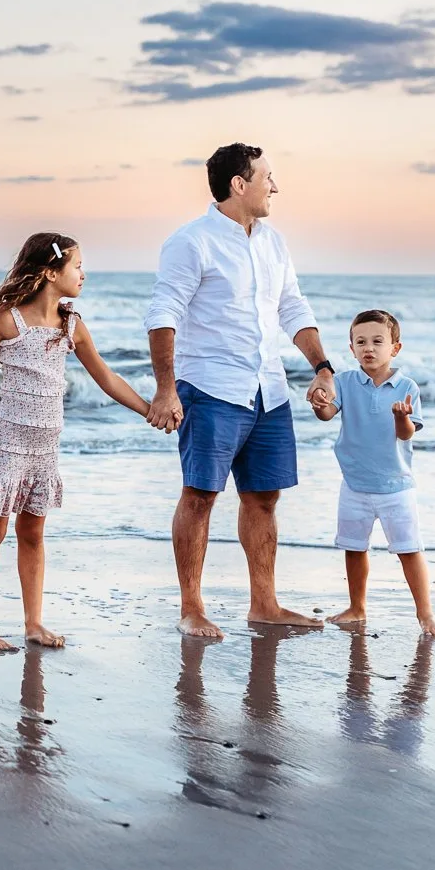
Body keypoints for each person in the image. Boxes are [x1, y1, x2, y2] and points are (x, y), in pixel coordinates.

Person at [0, 233, 156, 650]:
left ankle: (33, 623)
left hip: (45, 450)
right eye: (77, 266)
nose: (83, 274)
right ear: (50, 273)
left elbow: (107, 378)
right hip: (8, 444)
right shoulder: (9, 321)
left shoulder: (71, 326)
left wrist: (148, 409)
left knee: (33, 533)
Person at [145, 143, 336, 638]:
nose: (275, 187)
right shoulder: (191, 242)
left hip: (268, 390)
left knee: (265, 497)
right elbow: (163, 314)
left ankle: (264, 604)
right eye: (268, 177)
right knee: (200, 496)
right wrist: (166, 389)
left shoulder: (274, 242)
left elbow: (292, 307)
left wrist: (322, 367)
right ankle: (192, 608)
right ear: (239, 184)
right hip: (210, 387)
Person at [313, 309, 435, 637]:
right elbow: (327, 414)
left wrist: (401, 416)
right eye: (360, 342)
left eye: (377, 341)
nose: (368, 348)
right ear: (352, 348)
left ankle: (425, 613)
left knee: (409, 549)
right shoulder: (344, 382)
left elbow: (406, 434)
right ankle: (357, 608)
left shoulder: (406, 386)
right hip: (354, 484)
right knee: (354, 548)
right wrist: (319, 404)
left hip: (395, 486)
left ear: (394, 348)